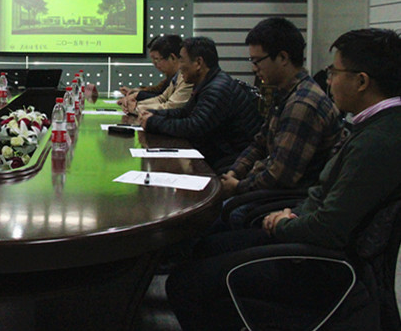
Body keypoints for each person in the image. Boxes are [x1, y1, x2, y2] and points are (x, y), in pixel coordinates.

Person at [165, 28, 401, 331]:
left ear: (362, 81)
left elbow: (329, 229)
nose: (329, 81)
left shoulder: (377, 142)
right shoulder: (375, 127)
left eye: (334, 72)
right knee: (206, 251)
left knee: (185, 283)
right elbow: (325, 197)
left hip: (322, 263)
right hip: (304, 229)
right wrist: (293, 214)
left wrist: (283, 222)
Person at [220, 18, 342, 216]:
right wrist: (234, 172)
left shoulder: (302, 104)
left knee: (216, 217)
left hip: (285, 204)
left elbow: (280, 176)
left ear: (283, 57)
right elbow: (260, 143)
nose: (254, 68)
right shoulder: (286, 93)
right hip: (269, 192)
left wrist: (237, 186)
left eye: (257, 61)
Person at [138, 37, 262, 172]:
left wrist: (153, 122)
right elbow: (184, 112)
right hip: (223, 155)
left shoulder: (216, 89)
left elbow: (193, 127)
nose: (179, 66)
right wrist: (154, 114)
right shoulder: (208, 83)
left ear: (198, 63)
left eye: (182, 60)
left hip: (232, 161)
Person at [119, 34, 192, 113]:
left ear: (173, 57)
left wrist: (136, 108)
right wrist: (135, 104)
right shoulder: (177, 77)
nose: (154, 63)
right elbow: (161, 98)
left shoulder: (187, 79)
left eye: (157, 59)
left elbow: (170, 106)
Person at [117, 36, 174, 102]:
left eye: (157, 59)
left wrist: (137, 95)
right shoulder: (170, 78)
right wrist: (136, 91)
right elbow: (158, 90)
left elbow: (164, 100)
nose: (155, 64)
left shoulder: (180, 79)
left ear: (172, 57)